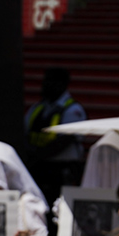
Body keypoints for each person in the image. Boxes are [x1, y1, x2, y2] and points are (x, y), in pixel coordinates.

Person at [24, 67, 87, 201]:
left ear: (62, 84)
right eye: (45, 81)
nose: (45, 85)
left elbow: (64, 141)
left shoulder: (73, 110)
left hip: (61, 170)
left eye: (50, 82)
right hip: (38, 167)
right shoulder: (37, 108)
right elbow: (25, 133)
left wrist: (37, 155)